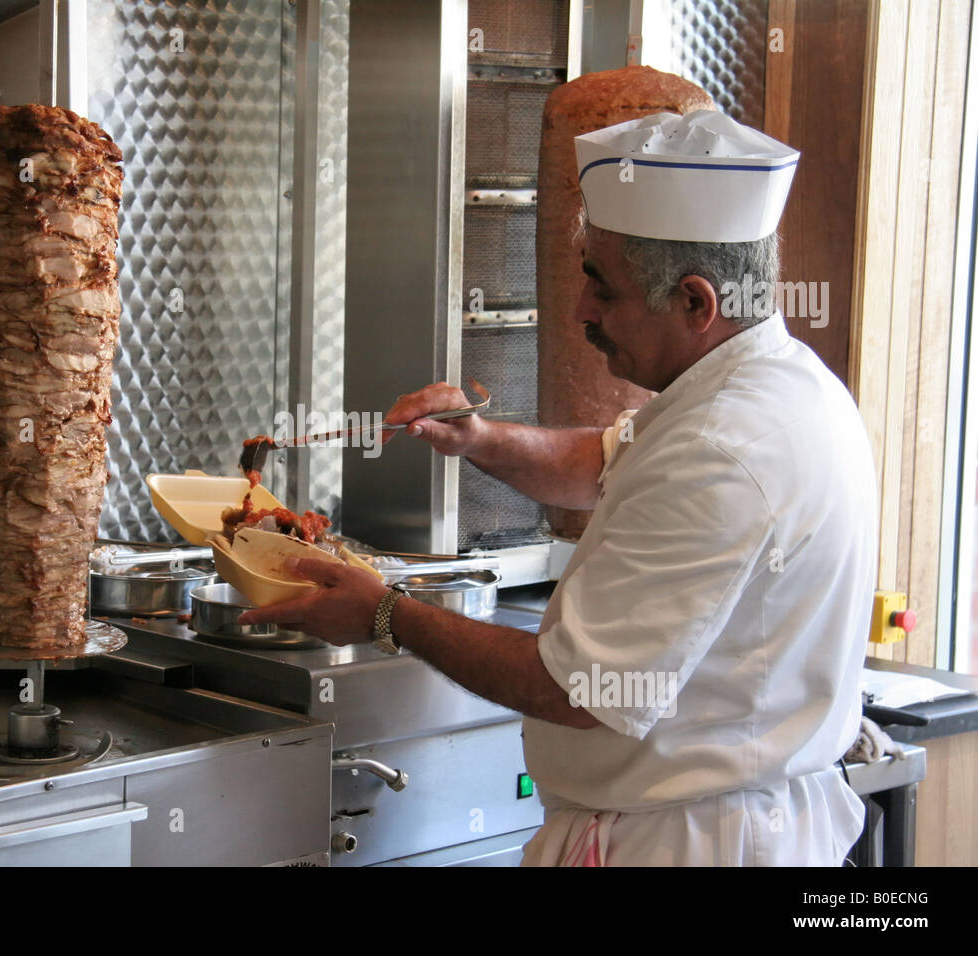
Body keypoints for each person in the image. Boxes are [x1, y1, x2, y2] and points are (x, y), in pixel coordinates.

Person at [239, 109, 875, 866]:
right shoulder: (781, 387)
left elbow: (577, 691)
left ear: (697, 304)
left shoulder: (721, 449)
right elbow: (607, 465)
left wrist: (384, 612)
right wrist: (478, 438)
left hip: (684, 843)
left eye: (602, 289)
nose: (580, 313)